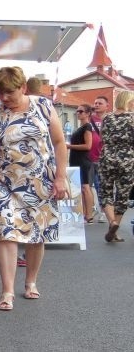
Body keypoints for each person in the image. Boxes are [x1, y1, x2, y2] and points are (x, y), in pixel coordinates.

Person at [0, 66, 68, 311]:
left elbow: (59, 143)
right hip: (4, 182)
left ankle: (31, 281)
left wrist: (60, 177)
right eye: (0, 92)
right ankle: (7, 291)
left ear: (23, 88)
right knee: (6, 232)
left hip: (40, 180)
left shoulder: (43, 106)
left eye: (10, 93)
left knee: (36, 234)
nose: (4, 98)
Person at [98, 90, 134, 242]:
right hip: (127, 160)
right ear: (129, 102)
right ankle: (114, 225)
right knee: (122, 195)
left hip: (107, 159)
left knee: (106, 192)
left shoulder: (107, 118)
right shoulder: (132, 118)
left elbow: (102, 137)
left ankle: (112, 223)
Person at [65, 104, 95, 222]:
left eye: (81, 111)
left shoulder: (87, 127)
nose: (78, 113)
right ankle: (84, 213)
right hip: (76, 159)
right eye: (77, 111)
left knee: (85, 187)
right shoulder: (80, 127)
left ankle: (89, 214)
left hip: (83, 160)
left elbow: (88, 146)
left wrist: (69, 146)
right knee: (81, 188)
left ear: (87, 113)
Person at [90, 95, 110, 222]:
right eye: (96, 103)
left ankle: (103, 212)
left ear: (107, 106)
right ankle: (91, 209)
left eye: (100, 103)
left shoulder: (110, 119)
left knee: (101, 186)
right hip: (89, 157)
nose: (97, 105)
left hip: (103, 158)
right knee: (87, 186)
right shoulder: (90, 119)